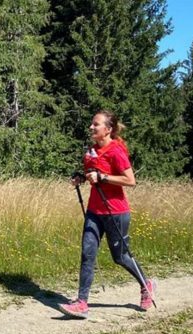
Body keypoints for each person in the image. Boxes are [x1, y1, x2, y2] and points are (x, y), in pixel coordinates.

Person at [58, 110, 156, 319]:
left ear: (108, 130)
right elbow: (90, 174)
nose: (91, 127)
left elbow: (130, 180)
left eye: (96, 125)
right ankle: (82, 302)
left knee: (120, 257)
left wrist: (102, 176)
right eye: (91, 124)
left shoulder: (116, 151)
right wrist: (81, 178)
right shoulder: (91, 152)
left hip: (116, 212)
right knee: (87, 253)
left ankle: (146, 285)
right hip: (95, 211)